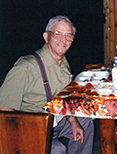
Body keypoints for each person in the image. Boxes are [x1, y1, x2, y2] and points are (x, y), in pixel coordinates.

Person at [0, 15, 94, 154]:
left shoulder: (63, 64)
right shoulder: (26, 66)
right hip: (30, 127)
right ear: (46, 36)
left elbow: (63, 101)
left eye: (69, 35)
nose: (64, 40)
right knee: (58, 149)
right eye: (58, 34)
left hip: (54, 121)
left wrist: (73, 122)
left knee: (85, 124)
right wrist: (23, 139)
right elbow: (4, 111)